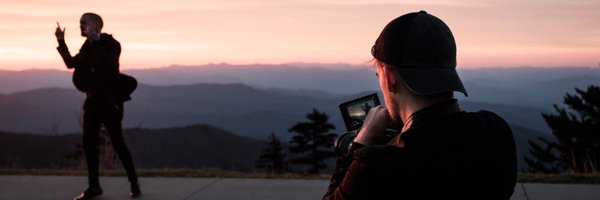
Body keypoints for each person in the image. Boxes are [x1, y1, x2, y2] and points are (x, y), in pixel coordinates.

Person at [323, 11, 517, 199]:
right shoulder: (494, 132)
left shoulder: (375, 166)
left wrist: (360, 145)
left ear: (390, 78)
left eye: (379, 75)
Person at [55, 13, 141, 199]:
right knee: (89, 144)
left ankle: (134, 181)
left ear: (94, 25)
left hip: (110, 104)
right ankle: (94, 187)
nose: (80, 26)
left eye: (83, 23)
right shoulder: (87, 46)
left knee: (118, 143)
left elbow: (108, 66)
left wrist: (95, 42)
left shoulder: (112, 45)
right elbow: (71, 63)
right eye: (80, 23)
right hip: (92, 103)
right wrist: (61, 41)